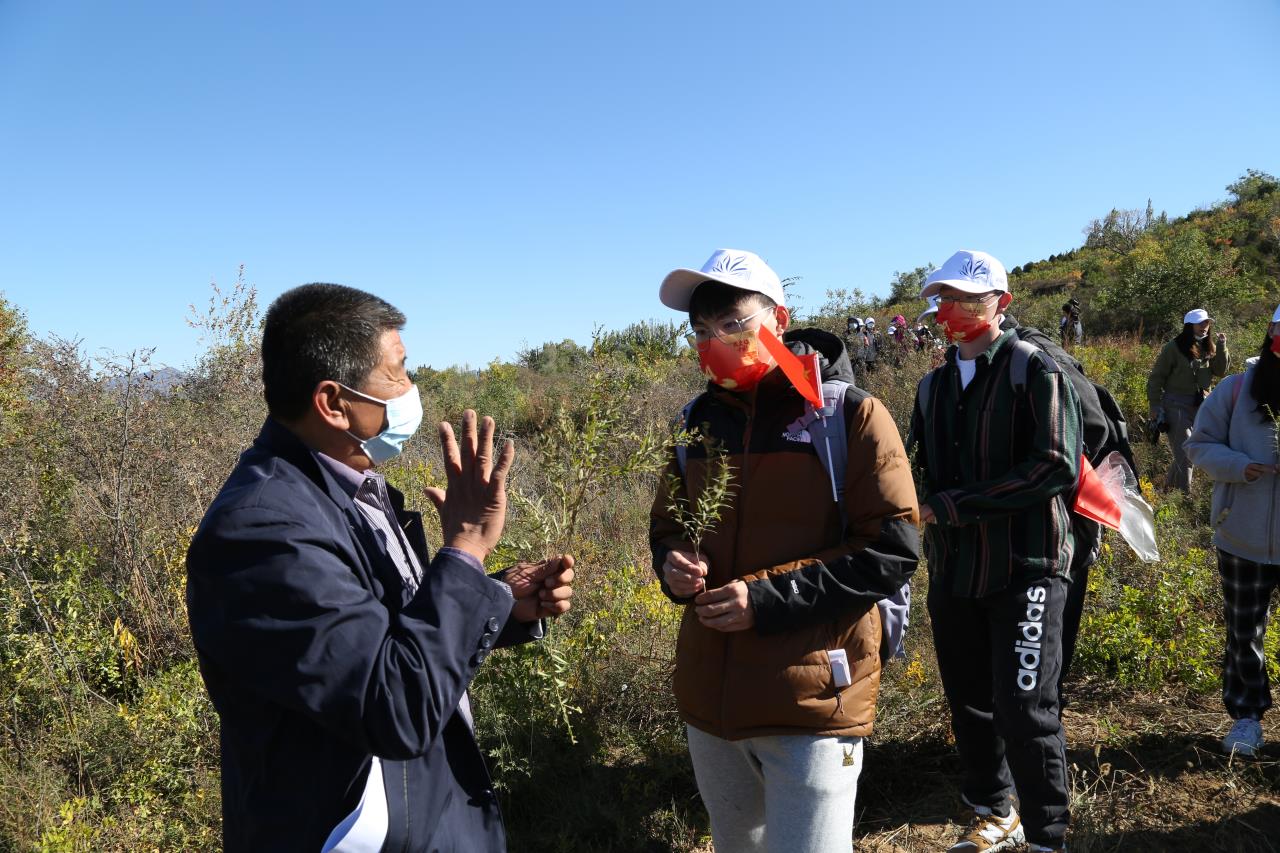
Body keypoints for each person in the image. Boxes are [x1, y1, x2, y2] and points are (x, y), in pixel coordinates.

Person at [186, 283, 575, 853]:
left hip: (425, 815)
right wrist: (465, 550)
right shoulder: (262, 531)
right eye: (397, 373)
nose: (411, 390)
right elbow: (396, 704)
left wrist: (498, 601)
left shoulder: (350, 487)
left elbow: (396, 639)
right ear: (332, 402)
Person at [651, 248, 919, 853]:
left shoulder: (849, 415)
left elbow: (892, 549)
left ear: (779, 317)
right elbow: (667, 527)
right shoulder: (693, 422)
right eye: (700, 330)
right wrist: (673, 564)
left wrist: (765, 599)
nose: (715, 341)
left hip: (813, 700)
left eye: (733, 324)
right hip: (710, 699)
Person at [910, 250, 1082, 853]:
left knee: (1026, 705)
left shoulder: (1033, 369)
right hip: (956, 569)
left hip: (1027, 565)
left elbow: (1056, 466)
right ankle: (994, 809)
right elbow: (918, 471)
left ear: (1001, 304)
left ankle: (1047, 836)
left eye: (966, 300)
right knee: (970, 700)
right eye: (944, 299)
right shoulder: (931, 386)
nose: (950, 311)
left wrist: (955, 505)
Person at [1185, 303, 1280, 758]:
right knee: (1245, 631)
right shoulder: (1237, 388)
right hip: (1242, 535)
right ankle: (1246, 717)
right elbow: (1199, 445)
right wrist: (1242, 468)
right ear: (1270, 332)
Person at [1147, 308, 1230, 492]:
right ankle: (1184, 498)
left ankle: (1168, 491)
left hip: (1201, 406)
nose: (1205, 326)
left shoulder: (1208, 346)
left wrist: (1222, 345)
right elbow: (1156, 378)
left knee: (1187, 452)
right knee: (1187, 452)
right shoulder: (1173, 348)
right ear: (1189, 325)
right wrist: (1154, 405)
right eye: (1201, 323)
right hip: (1175, 405)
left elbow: (1220, 371)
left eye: (1207, 323)